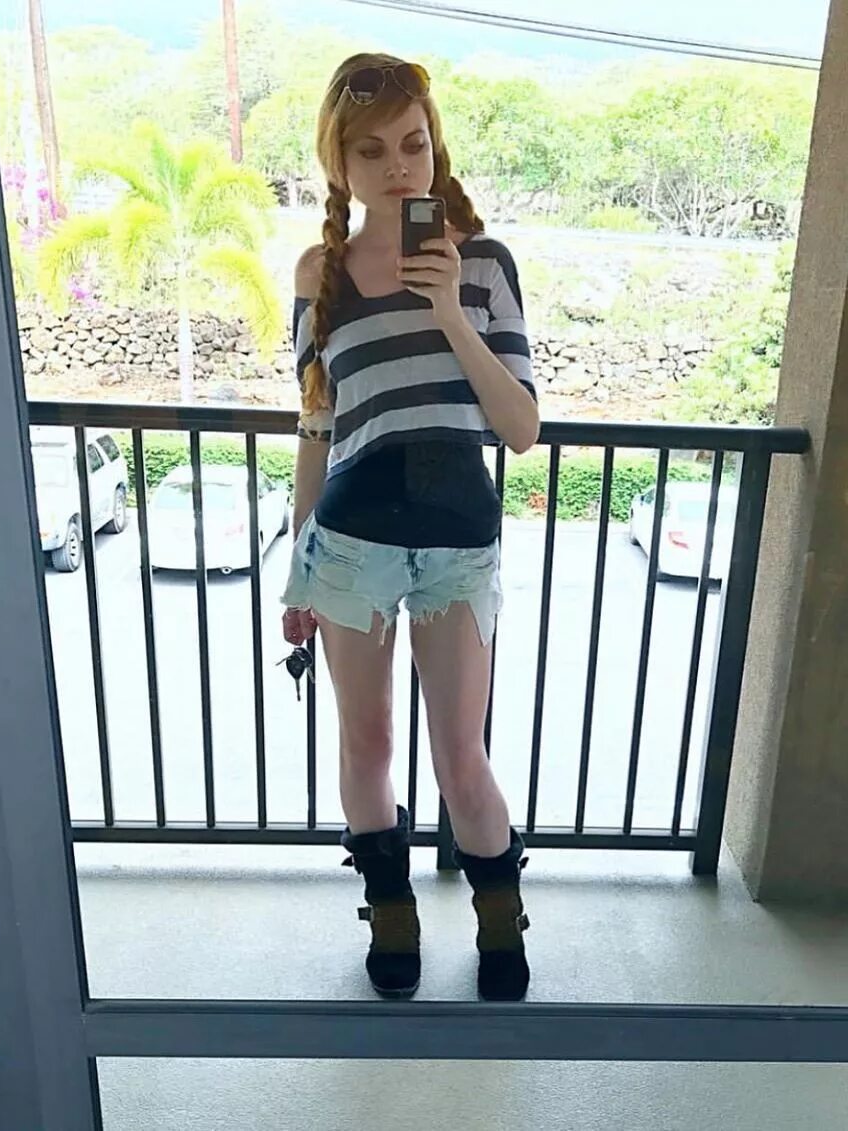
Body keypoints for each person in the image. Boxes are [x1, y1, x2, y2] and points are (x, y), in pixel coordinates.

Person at [279, 52, 540, 1003]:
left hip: (458, 542)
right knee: (367, 742)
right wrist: (298, 564)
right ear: (339, 162)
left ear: (436, 147)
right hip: (350, 544)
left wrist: (448, 310)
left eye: (414, 143)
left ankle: (500, 914)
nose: (398, 166)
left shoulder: (484, 263)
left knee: (461, 753)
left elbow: (520, 427)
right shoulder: (320, 274)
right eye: (372, 149)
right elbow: (318, 427)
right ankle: (391, 913)